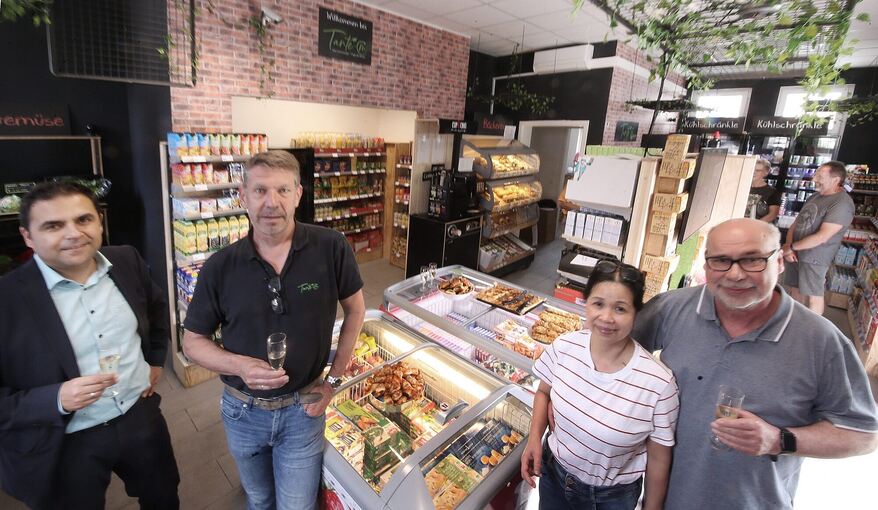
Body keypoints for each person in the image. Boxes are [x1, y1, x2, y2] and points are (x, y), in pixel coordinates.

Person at [633, 218, 878, 510]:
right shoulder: (672, 308)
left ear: (780, 262)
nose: (735, 274)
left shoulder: (821, 342)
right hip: (666, 499)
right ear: (707, 265)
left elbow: (863, 436)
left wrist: (780, 440)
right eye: (721, 261)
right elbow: (612, 354)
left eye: (753, 260)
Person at [182, 150, 365, 510]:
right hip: (242, 411)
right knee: (259, 499)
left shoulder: (331, 247)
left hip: (304, 411)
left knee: (296, 505)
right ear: (243, 196)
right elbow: (192, 342)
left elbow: (356, 309)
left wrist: (335, 381)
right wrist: (240, 367)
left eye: (283, 190)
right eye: (261, 190)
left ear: (299, 194)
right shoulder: (220, 266)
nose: (272, 203)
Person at [0, 182, 180, 509]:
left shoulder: (126, 261)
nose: (73, 233)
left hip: (138, 415)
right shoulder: (7, 299)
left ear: (99, 221)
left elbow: (155, 309)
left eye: (83, 220)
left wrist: (155, 360)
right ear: (28, 236)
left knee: (163, 495)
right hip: (63, 440)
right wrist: (54, 398)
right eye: (53, 225)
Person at [521, 260, 679, 510]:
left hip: (612, 498)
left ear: (636, 312)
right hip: (554, 476)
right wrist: (534, 440)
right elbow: (543, 392)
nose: (606, 318)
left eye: (620, 308)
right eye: (598, 304)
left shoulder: (659, 384)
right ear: (586, 303)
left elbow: (659, 458)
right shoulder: (565, 346)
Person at [783, 160, 854, 315]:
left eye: (820, 176)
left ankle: (814, 332)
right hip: (795, 253)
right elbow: (796, 223)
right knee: (795, 290)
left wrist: (791, 247)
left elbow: (823, 236)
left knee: (813, 296)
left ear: (835, 180)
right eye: (816, 175)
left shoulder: (842, 203)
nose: (814, 179)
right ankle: (795, 323)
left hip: (815, 257)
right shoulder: (815, 196)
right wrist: (788, 245)